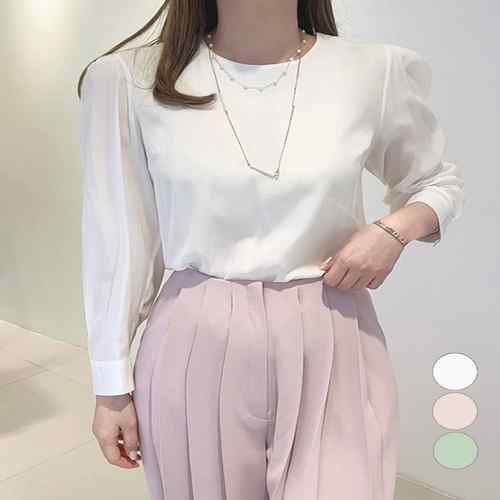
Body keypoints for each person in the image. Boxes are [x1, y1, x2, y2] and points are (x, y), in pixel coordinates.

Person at [77, 1, 465, 499]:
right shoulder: (129, 81)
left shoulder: (373, 70)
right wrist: (110, 385)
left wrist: (394, 232)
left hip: (333, 334)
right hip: (195, 340)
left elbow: (436, 181)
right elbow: (118, 240)